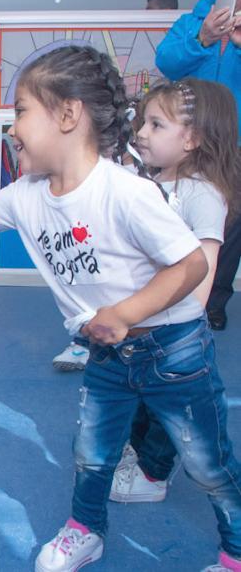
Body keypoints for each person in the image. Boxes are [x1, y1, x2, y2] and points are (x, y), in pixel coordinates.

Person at [0, 45, 241, 572]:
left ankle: (236, 553)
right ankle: (85, 530)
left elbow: (192, 266)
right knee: (91, 453)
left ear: (67, 114)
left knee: (207, 461)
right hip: (108, 352)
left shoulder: (125, 192)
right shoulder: (26, 194)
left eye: (19, 110)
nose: (11, 127)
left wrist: (126, 312)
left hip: (173, 348)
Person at [109, 78, 240, 505]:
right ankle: (137, 452)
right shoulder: (152, 182)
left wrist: (179, 328)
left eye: (156, 124)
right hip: (145, 325)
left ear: (193, 139)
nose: (141, 133)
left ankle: (153, 473)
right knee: (142, 401)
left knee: (172, 410)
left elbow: (202, 270)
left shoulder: (201, 194)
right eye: (142, 122)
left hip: (175, 334)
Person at [50, 0, 180, 373]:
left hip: (132, 233)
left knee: (131, 289)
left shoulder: (140, 142)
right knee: (89, 282)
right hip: (93, 229)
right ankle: (82, 342)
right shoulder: (85, 136)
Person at [156, 0, 241, 331]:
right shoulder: (190, 22)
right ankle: (170, 296)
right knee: (179, 217)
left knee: (230, 225)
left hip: (235, 144)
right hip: (189, 140)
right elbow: (167, 62)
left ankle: (212, 304)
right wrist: (203, 38)